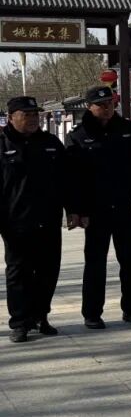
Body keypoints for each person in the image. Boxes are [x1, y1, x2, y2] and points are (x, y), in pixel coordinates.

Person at [66, 86, 131, 329]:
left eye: (110, 104)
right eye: (101, 105)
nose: (107, 109)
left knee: (130, 260)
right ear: (89, 106)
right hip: (95, 210)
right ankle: (92, 313)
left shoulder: (126, 129)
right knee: (95, 263)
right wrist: (76, 210)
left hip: (124, 204)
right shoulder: (78, 135)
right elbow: (73, 178)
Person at [1, 97, 73, 343]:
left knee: (48, 270)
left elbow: (67, 181)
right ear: (11, 117)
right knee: (18, 272)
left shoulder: (50, 143)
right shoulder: (2, 144)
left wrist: (73, 210)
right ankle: (20, 322)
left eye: (35, 114)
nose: (33, 118)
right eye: (27, 114)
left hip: (48, 218)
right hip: (15, 222)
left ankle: (40, 316)